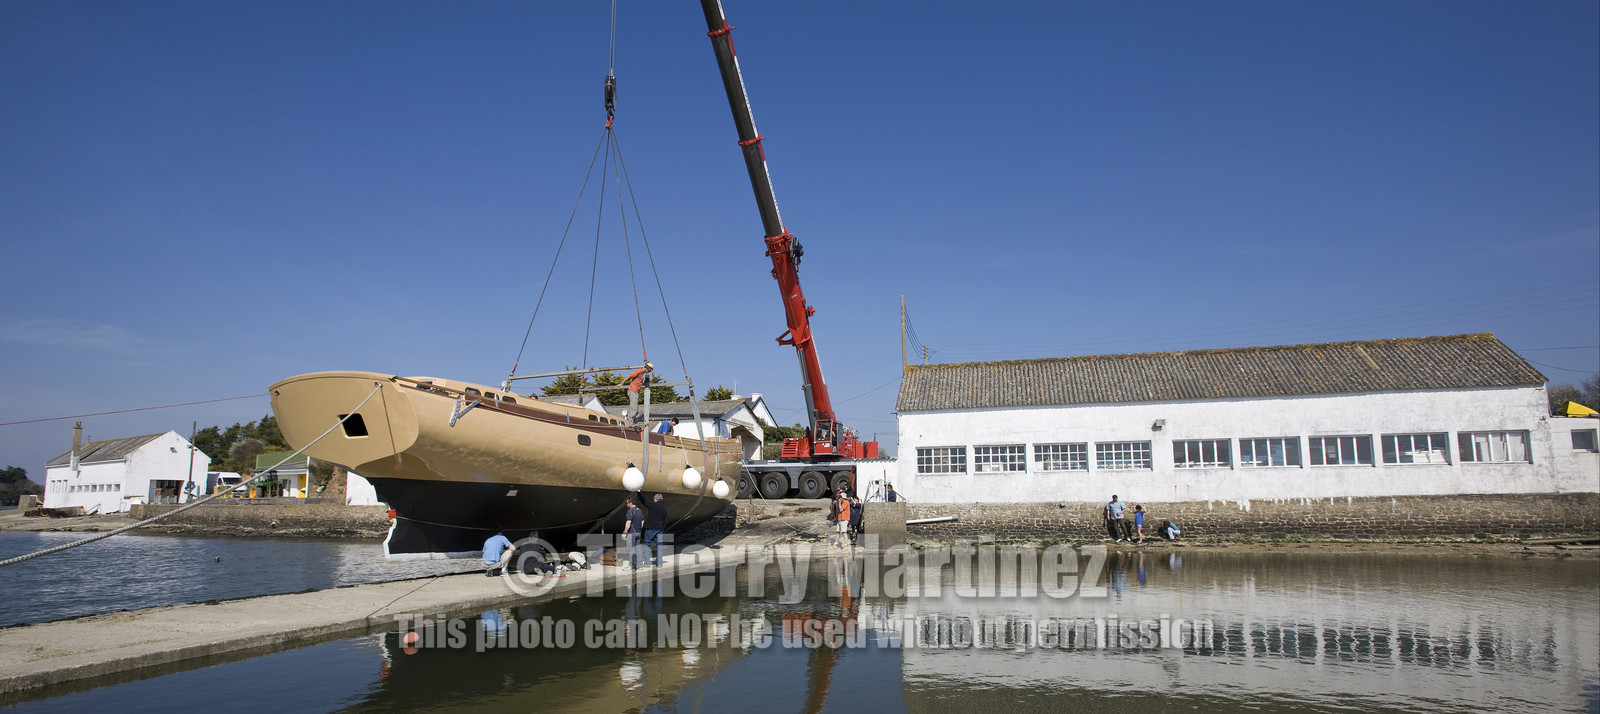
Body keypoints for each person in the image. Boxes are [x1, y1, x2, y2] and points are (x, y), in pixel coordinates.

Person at [643, 493, 669, 567]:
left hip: (650, 528)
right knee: (659, 546)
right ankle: (659, 563)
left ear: (655, 499)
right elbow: (666, 520)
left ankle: (647, 563)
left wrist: (638, 493)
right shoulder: (664, 508)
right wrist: (662, 528)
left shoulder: (652, 505)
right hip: (659, 529)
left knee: (647, 544)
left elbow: (643, 501)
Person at [622, 497, 645, 569]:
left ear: (630, 503)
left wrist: (625, 532)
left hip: (632, 532)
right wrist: (639, 528)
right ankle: (640, 565)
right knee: (638, 548)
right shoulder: (640, 511)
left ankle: (631, 565)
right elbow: (642, 521)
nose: (626, 504)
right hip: (638, 532)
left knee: (631, 549)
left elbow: (628, 522)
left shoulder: (630, 511)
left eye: (627, 503)